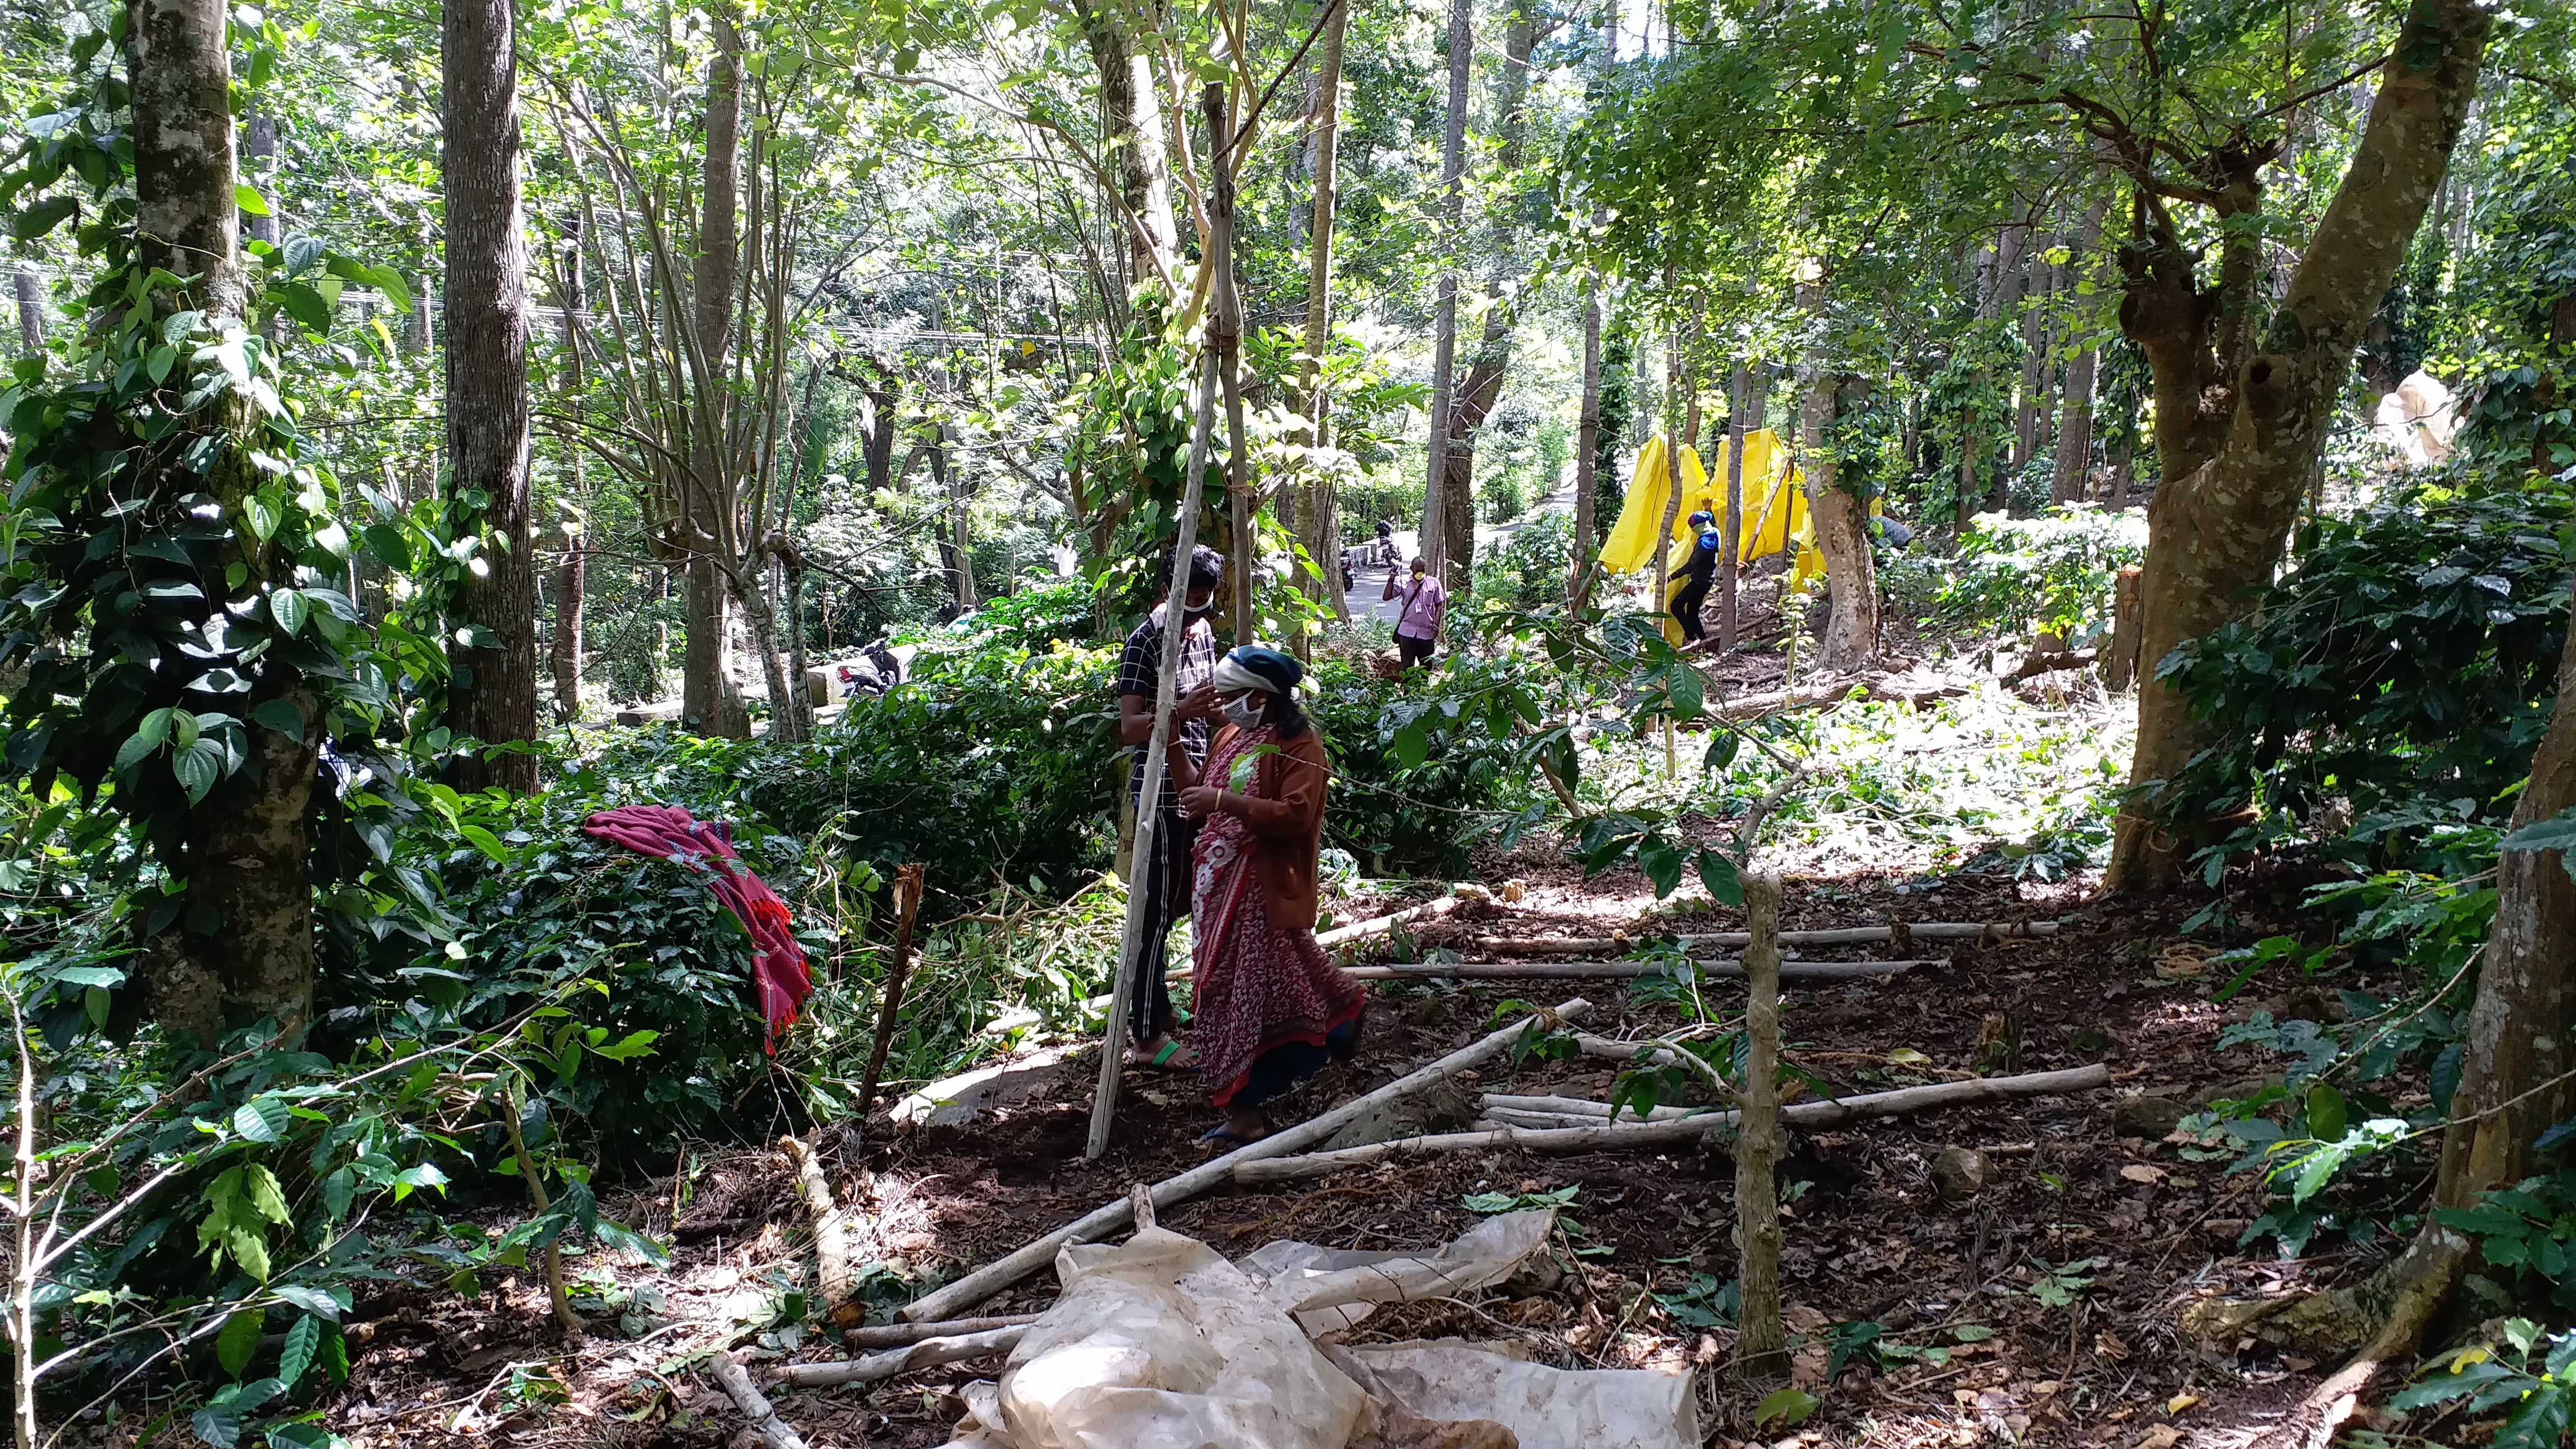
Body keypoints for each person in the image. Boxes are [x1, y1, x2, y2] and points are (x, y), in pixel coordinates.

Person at [1172, 646, 1365, 1144]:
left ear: (1260, 697)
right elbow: (1198, 794)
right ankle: (1341, 1020)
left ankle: (1244, 1111)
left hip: (1262, 888)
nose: (1224, 704)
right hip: (1216, 888)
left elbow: (1296, 815)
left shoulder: (1299, 746)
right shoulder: (1230, 736)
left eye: (1233, 696)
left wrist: (1223, 801)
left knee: (1228, 991)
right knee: (1283, 976)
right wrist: (1172, 743)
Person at [1115, 544, 1225, 1071]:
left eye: (1205, 604)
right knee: (1153, 910)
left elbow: (1210, 705)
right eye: (1188, 604)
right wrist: (1179, 711)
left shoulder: (1201, 634)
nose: (1195, 616)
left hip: (1196, 787)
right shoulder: (1145, 641)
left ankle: (1157, 1009)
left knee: (1177, 904)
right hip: (1159, 791)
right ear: (1167, 591)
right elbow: (1131, 726)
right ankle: (1143, 1036)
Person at [1384, 556, 1447, 670]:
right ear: (1411, 569)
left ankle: (1422, 687)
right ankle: (1409, 687)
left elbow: (1439, 605)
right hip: (1407, 633)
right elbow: (1387, 597)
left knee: (1426, 666)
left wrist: (1436, 626)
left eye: (1422, 570)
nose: (1420, 573)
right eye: (1417, 570)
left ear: (1425, 569)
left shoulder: (1434, 583)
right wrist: (1392, 579)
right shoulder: (1404, 583)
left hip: (1426, 633)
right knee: (1407, 667)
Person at [1668, 522, 1723, 647]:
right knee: (1692, 612)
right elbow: (1712, 523)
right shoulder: (1715, 533)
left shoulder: (1704, 544)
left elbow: (1691, 565)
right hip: (1707, 580)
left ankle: (1691, 637)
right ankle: (1703, 641)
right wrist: (1708, 510)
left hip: (1700, 582)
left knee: (1676, 606)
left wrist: (1672, 576)